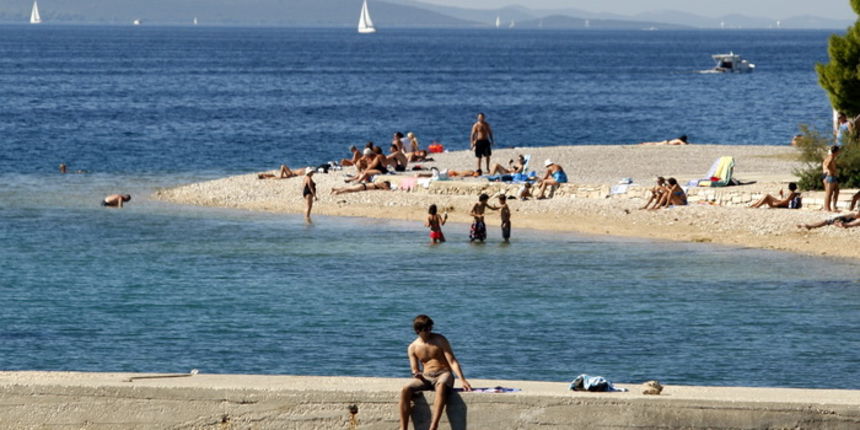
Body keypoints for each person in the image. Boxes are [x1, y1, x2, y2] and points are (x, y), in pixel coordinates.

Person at [399, 315, 471, 430]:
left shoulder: (440, 340)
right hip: (426, 377)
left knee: (441, 385)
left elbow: (452, 361)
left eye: (430, 328)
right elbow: (414, 369)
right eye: (425, 329)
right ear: (418, 330)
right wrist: (417, 374)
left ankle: (434, 425)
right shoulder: (412, 347)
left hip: (444, 373)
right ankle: (403, 427)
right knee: (405, 389)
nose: (429, 331)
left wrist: (462, 379)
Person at [823, 145, 840, 212]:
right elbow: (827, 165)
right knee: (829, 193)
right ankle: (827, 208)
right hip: (830, 176)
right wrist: (832, 171)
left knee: (836, 191)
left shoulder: (831, 156)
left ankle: (833, 206)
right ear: (836, 151)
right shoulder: (831, 157)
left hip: (831, 176)